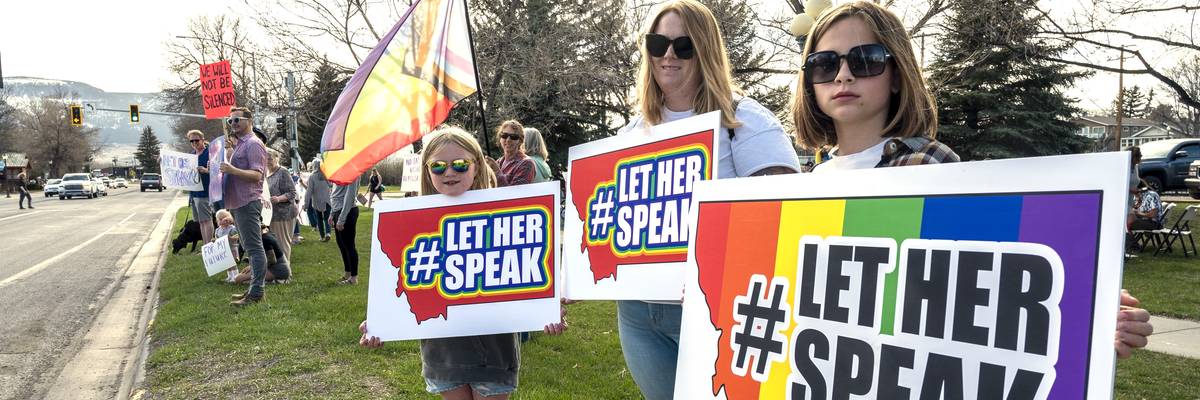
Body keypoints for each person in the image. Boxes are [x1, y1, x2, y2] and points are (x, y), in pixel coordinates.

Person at [790, 1, 1151, 359]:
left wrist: (1086, 318)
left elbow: (983, 284)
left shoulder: (927, 166)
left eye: (865, 59)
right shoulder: (810, 181)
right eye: (824, 64)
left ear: (897, 74)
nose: (843, 75)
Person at [613, 2, 801, 398]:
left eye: (684, 45)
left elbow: (786, 219)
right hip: (637, 312)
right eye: (658, 43)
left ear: (706, 50)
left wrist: (720, 274)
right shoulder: (632, 131)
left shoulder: (745, 121)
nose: (668, 55)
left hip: (716, 309)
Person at [358, 126, 567, 400]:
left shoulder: (505, 217)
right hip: (443, 357)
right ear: (426, 170)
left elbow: (527, 267)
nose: (449, 172)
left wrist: (547, 309)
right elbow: (401, 282)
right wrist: (380, 322)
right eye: (438, 166)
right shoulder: (411, 223)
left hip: (494, 355)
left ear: (477, 167)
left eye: (459, 164)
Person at [219, 107, 271, 306]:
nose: (233, 124)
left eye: (237, 120)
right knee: (250, 248)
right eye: (230, 121)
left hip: (248, 201)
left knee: (255, 249)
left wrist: (232, 169)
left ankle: (257, 292)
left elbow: (257, 175)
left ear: (249, 120)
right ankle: (253, 290)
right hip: (238, 202)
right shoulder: (240, 145)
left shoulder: (253, 144)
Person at [266, 149, 298, 261]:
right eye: (265, 159)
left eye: (270, 158)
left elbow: (292, 193)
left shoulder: (282, 172)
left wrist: (279, 199)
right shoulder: (267, 173)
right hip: (271, 214)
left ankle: (285, 274)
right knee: (274, 244)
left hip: (284, 214)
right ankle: (278, 272)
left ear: (277, 158)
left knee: (282, 243)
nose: (267, 161)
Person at [329, 171, 361, 284]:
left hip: (347, 212)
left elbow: (350, 197)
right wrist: (332, 214)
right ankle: (347, 273)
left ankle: (353, 277)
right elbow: (335, 194)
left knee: (349, 245)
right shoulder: (340, 170)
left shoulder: (353, 172)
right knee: (342, 244)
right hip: (338, 210)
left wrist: (342, 218)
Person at [485, 120, 536, 187]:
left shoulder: (527, 164)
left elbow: (515, 195)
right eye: (504, 135)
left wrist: (496, 172)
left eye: (513, 137)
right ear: (500, 139)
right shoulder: (499, 162)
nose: (508, 140)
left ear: (520, 141)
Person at [188, 130, 215, 245]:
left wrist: (206, 171)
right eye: (191, 141)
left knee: (207, 220)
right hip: (194, 192)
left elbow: (218, 170)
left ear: (203, 139)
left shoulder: (210, 153)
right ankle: (205, 245)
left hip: (205, 192)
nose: (194, 143)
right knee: (201, 222)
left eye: (196, 140)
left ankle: (209, 246)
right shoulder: (192, 154)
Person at [304, 158, 333, 242]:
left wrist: (306, 204)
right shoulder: (326, 175)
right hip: (327, 199)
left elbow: (309, 191)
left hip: (316, 201)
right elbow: (331, 185)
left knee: (319, 219)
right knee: (327, 217)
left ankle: (322, 236)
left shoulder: (312, 177)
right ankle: (328, 233)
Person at [214, 209, 241, 283]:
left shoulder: (232, 228)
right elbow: (217, 238)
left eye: (224, 219)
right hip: (224, 249)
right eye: (219, 219)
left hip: (232, 248)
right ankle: (229, 276)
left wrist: (230, 238)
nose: (222, 221)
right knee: (227, 263)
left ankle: (235, 276)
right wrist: (214, 241)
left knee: (233, 263)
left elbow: (237, 237)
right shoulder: (218, 230)